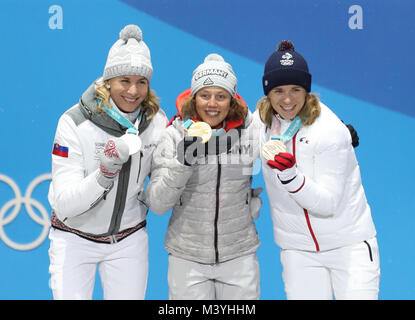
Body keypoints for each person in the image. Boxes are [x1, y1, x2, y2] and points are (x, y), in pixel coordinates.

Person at [47, 24, 168, 300]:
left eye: (142, 82)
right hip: (73, 237)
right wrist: (104, 173)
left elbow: (160, 193)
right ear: (108, 81)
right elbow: (65, 202)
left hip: (128, 240)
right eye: (124, 80)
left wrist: (179, 164)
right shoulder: (74, 123)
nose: (133, 91)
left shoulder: (157, 122)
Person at [255, 40, 380, 300]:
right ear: (267, 92)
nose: (287, 99)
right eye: (278, 90)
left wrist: (290, 176)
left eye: (295, 89)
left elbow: (327, 204)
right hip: (298, 251)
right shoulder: (259, 124)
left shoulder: (330, 131)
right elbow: (230, 137)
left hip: (349, 247)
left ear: (307, 91)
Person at [146, 54, 262, 300]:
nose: (212, 104)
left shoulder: (250, 130)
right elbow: (157, 203)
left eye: (221, 96)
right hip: (187, 257)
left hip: (239, 255)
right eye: (205, 95)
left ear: (231, 101)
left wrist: (335, 129)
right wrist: (184, 161)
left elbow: (287, 126)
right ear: (194, 97)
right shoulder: (174, 135)